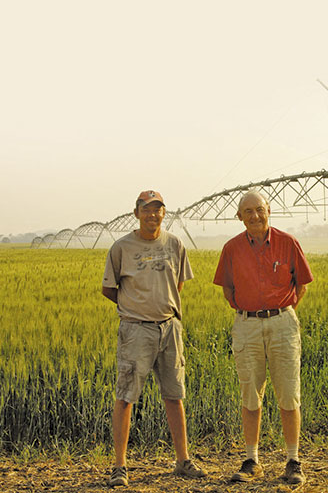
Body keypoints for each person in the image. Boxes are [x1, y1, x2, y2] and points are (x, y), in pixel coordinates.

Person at [102, 190, 206, 487]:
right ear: (136, 213)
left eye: (158, 209)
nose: (153, 214)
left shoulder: (175, 244)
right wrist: (137, 308)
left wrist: (163, 308)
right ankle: (120, 466)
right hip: (136, 330)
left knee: (175, 394)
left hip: (170, 328)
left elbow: (178, 283)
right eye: (147, 209)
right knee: (126, 396)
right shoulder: (121, 248)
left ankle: (183, 460)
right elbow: (109, 289)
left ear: (164, 213)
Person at [213, 191, 313, 485]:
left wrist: (280, 313)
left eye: (259, 209)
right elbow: (228, 290)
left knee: (288, 393)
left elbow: (301, 286)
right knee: (250, 394)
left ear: (269, 210)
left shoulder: (288, 243)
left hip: (283, 323)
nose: (254, 216)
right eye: (247, 211)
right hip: (247, 325)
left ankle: (293, 461)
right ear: (239, 216)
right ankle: (252, 461)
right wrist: (251, 313)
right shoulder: (231, 248)